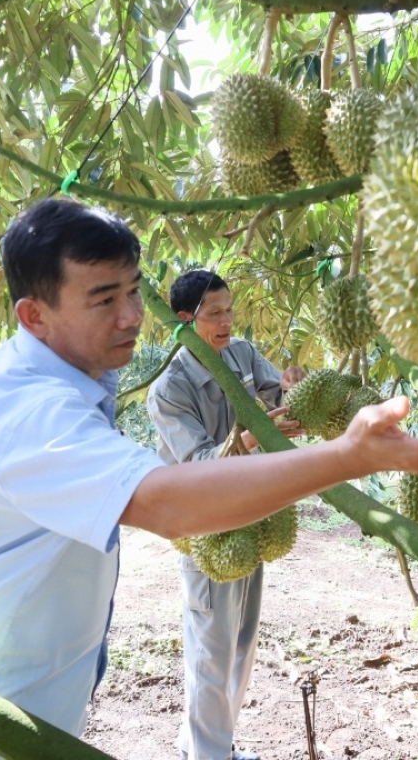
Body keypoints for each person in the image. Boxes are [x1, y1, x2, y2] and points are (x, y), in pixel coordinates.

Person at [0, 197, 418, 760]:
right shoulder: (28, 407)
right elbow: (163, 502)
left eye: (133, 291)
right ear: (33, 315)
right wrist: (351, 457)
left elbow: (272, 401)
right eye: (103, 300)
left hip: (24, 696)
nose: (130, 316)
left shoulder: (76, 373)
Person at [146, 269, 305, 760]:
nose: (226, 321)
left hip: (252, 516)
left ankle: (212, 745)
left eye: (229, 309)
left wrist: (294, 388)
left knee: (240, 644)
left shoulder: (240, 355)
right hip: (205, 530)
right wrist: (252, 436)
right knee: (211, 649)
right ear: (184, 320)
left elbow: (282, 403)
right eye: (214, 313)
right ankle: (208, 755)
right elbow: (196, 469)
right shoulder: (169, 390)